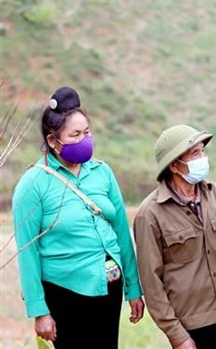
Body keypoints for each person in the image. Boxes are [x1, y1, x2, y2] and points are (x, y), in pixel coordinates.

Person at [11, 86, 144, 349]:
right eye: (75, 135)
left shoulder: (102, 172)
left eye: (87, 132)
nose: (85, 139)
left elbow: (121, 233)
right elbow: (27, 251)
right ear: (52, 141)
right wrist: (40, 311)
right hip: (64, 293)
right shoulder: (34, 184)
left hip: (109, 290)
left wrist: (133, 288)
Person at [133, 124, 216, 349]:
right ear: (174, 165)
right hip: (192, 326)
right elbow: (152, 283)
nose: (203, 158)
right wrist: (177, 335)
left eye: (203, 151)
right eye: (195, 153)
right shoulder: (150, 214)